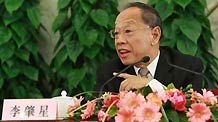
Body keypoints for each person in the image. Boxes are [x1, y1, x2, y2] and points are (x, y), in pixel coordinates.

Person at [95, 2, 203, 93]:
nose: (119, 41)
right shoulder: (108, 72)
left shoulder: (187, 67)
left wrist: (153, 86)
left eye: (128, 31)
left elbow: (193, 109)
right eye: (116, 34)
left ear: (155, 35)